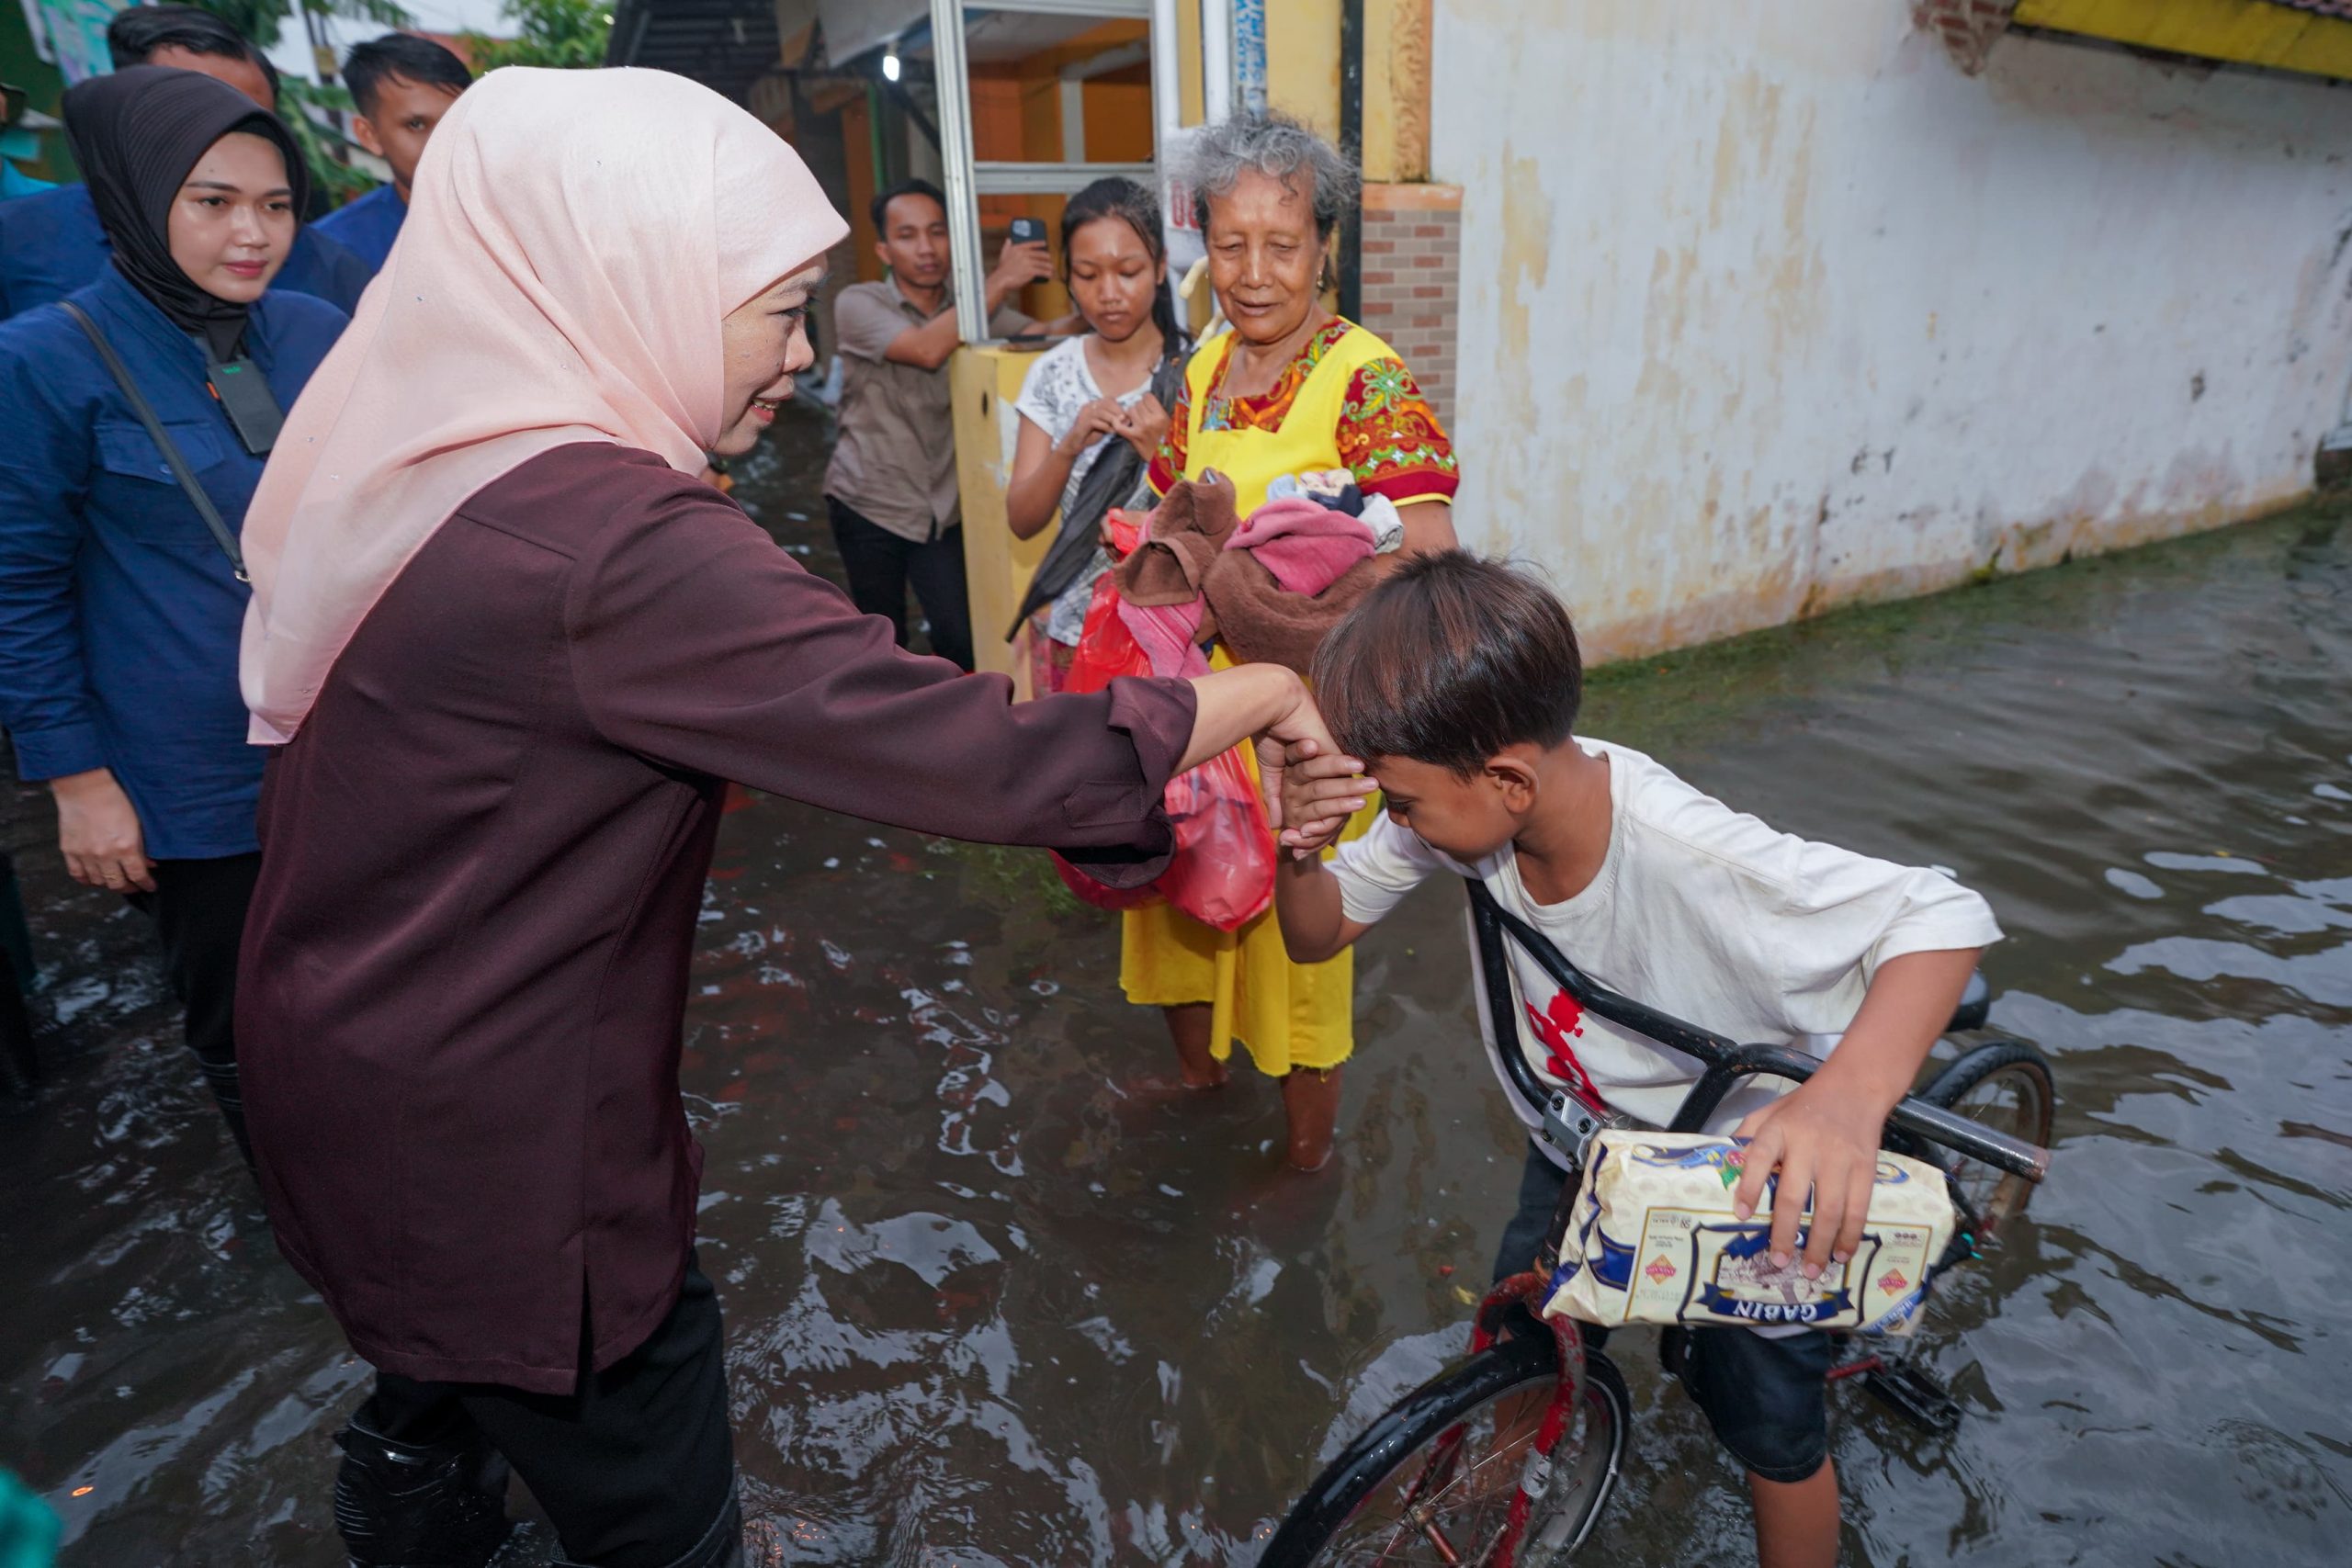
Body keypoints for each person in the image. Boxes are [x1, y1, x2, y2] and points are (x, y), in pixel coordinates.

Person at [232, 68, 1351, 1568]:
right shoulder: (617, 534)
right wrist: (1269, 698)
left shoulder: (462, 461)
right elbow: (979, 753)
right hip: (497, 1130)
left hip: (354, 1053)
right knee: (643, 1446)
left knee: (444, 1382)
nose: (800, 362)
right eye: (770, 311)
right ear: (630, 285)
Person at [1272, 553, 2004, 1568]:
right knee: (1522, 1347)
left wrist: (1846, 1100)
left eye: (1398, 803)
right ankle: (1493, 1517)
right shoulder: (1465, 811)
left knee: (1770, 1430)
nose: (1393, 824)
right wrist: (1297, 850)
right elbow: (1315, 935)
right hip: (1580, 1145)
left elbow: (1943, 911)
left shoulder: (1691, 857)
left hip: (1738, 1173)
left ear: (1508, 779)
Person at [0, 67, 347, 1165]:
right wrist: (77, 781)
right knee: (246, 1018)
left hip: (348, 739)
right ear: (134, 200)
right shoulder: (44, 363)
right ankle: (302, 1220)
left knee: (374, 988)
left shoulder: (313, 331)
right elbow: (16, 586)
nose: (253, 234)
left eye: (276, 204)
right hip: (189, 771)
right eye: (212, 202)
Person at [1125, 111, 1461, 1170]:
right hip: (1199, 710)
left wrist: (1339, 714)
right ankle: (1194, 1081)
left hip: (1310, 720)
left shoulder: (1366, 378)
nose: (1255, 273)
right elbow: (1173, 513)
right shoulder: (1204, 366)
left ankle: (1304, 1159)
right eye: (1231, 245)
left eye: (1283, 245)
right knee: (1176, 899)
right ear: (1202, 243)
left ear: (1324, 247)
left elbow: (1426, 563)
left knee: (1296, 948)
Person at [823, 177, 1059, 671]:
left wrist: (1101, 297)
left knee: (960, 636)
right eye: (908, 236)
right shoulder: (858, 303)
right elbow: (928, 349)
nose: (927, 248)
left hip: (944, 508)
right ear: (884, 250)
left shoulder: (969, 304)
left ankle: (955, 735)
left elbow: (1041, 334)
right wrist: (998, 282)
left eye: (937, 232)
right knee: (880, 638)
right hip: (871, 500)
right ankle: (885, 738)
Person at [0, 6, 371, 319]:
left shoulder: (331, 271)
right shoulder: (18, 240)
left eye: (252, 124)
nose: (230, 145)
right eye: (195, 119)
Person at [1003, 176, 1180, 692]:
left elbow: (1221, 516)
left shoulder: (1196, 373)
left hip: (1169, 635)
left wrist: (1160, 454)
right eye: (1087, 274)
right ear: (1067, 276)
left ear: (1162, 268)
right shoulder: (1053, 375)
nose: (1108, 294)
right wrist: (1068, 448)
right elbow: (1022, 521)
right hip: (1073, 635)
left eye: (1129, 272)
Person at [311, 32, 471, 275]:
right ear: (369, 135)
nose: (443, 140)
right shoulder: (332, 252)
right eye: (416, 125)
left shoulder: (522, 219)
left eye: (457, 119)